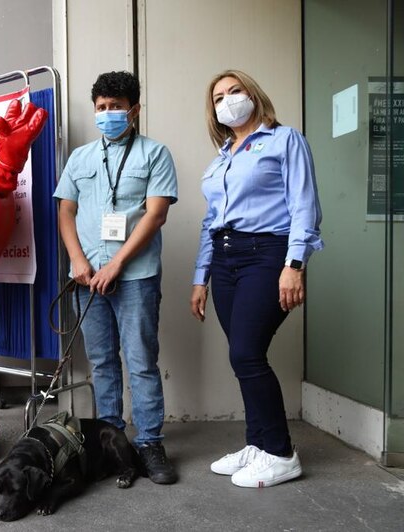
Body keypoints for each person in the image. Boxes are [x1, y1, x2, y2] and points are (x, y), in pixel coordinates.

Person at [190, 69, 324, 488]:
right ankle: (258, 443)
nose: (227, 100)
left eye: (235, 91)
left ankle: (281, 453)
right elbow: (211, 222)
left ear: (253, 94)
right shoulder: (222, 159)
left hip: (267, 255)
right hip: (226, 260)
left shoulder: (285, 140)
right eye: (218, 97)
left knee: (246, 354)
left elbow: (304, 205)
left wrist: (294, 263)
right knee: (242, 356)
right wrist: (201, 278)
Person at [53, 71, 179, 484]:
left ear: (135, 110)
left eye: (116, 107)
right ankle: (111, 441)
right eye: (102, 108)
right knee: (103, 362)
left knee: (141, 361)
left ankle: (149, 444)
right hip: (87, 280)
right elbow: (66, 212)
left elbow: (156, 214)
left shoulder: (154, 154)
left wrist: (116, 264)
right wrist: (77, 261)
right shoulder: (80, 159)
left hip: (135, 276)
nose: (108, 114)